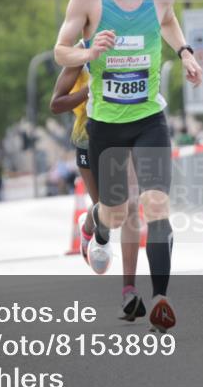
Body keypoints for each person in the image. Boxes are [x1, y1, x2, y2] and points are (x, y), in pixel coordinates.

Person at [53, 0, 203, 332]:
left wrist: (186, 54)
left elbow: (170, 22)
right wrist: (88, 53)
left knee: (156, 205)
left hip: (149, 120)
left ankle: (160, 300)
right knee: (116, 214)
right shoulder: (87, 0)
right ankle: (93, 225)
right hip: (105, 124)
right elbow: (60, 52)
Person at [51, 62, 147, 321]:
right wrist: (90, 90)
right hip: (89, 137)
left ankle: (129, 291)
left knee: (130, 207)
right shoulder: (81, 56)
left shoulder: (134, 48)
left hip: (126, 132)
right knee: (109, 211)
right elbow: (56, 103)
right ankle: (91, 224)